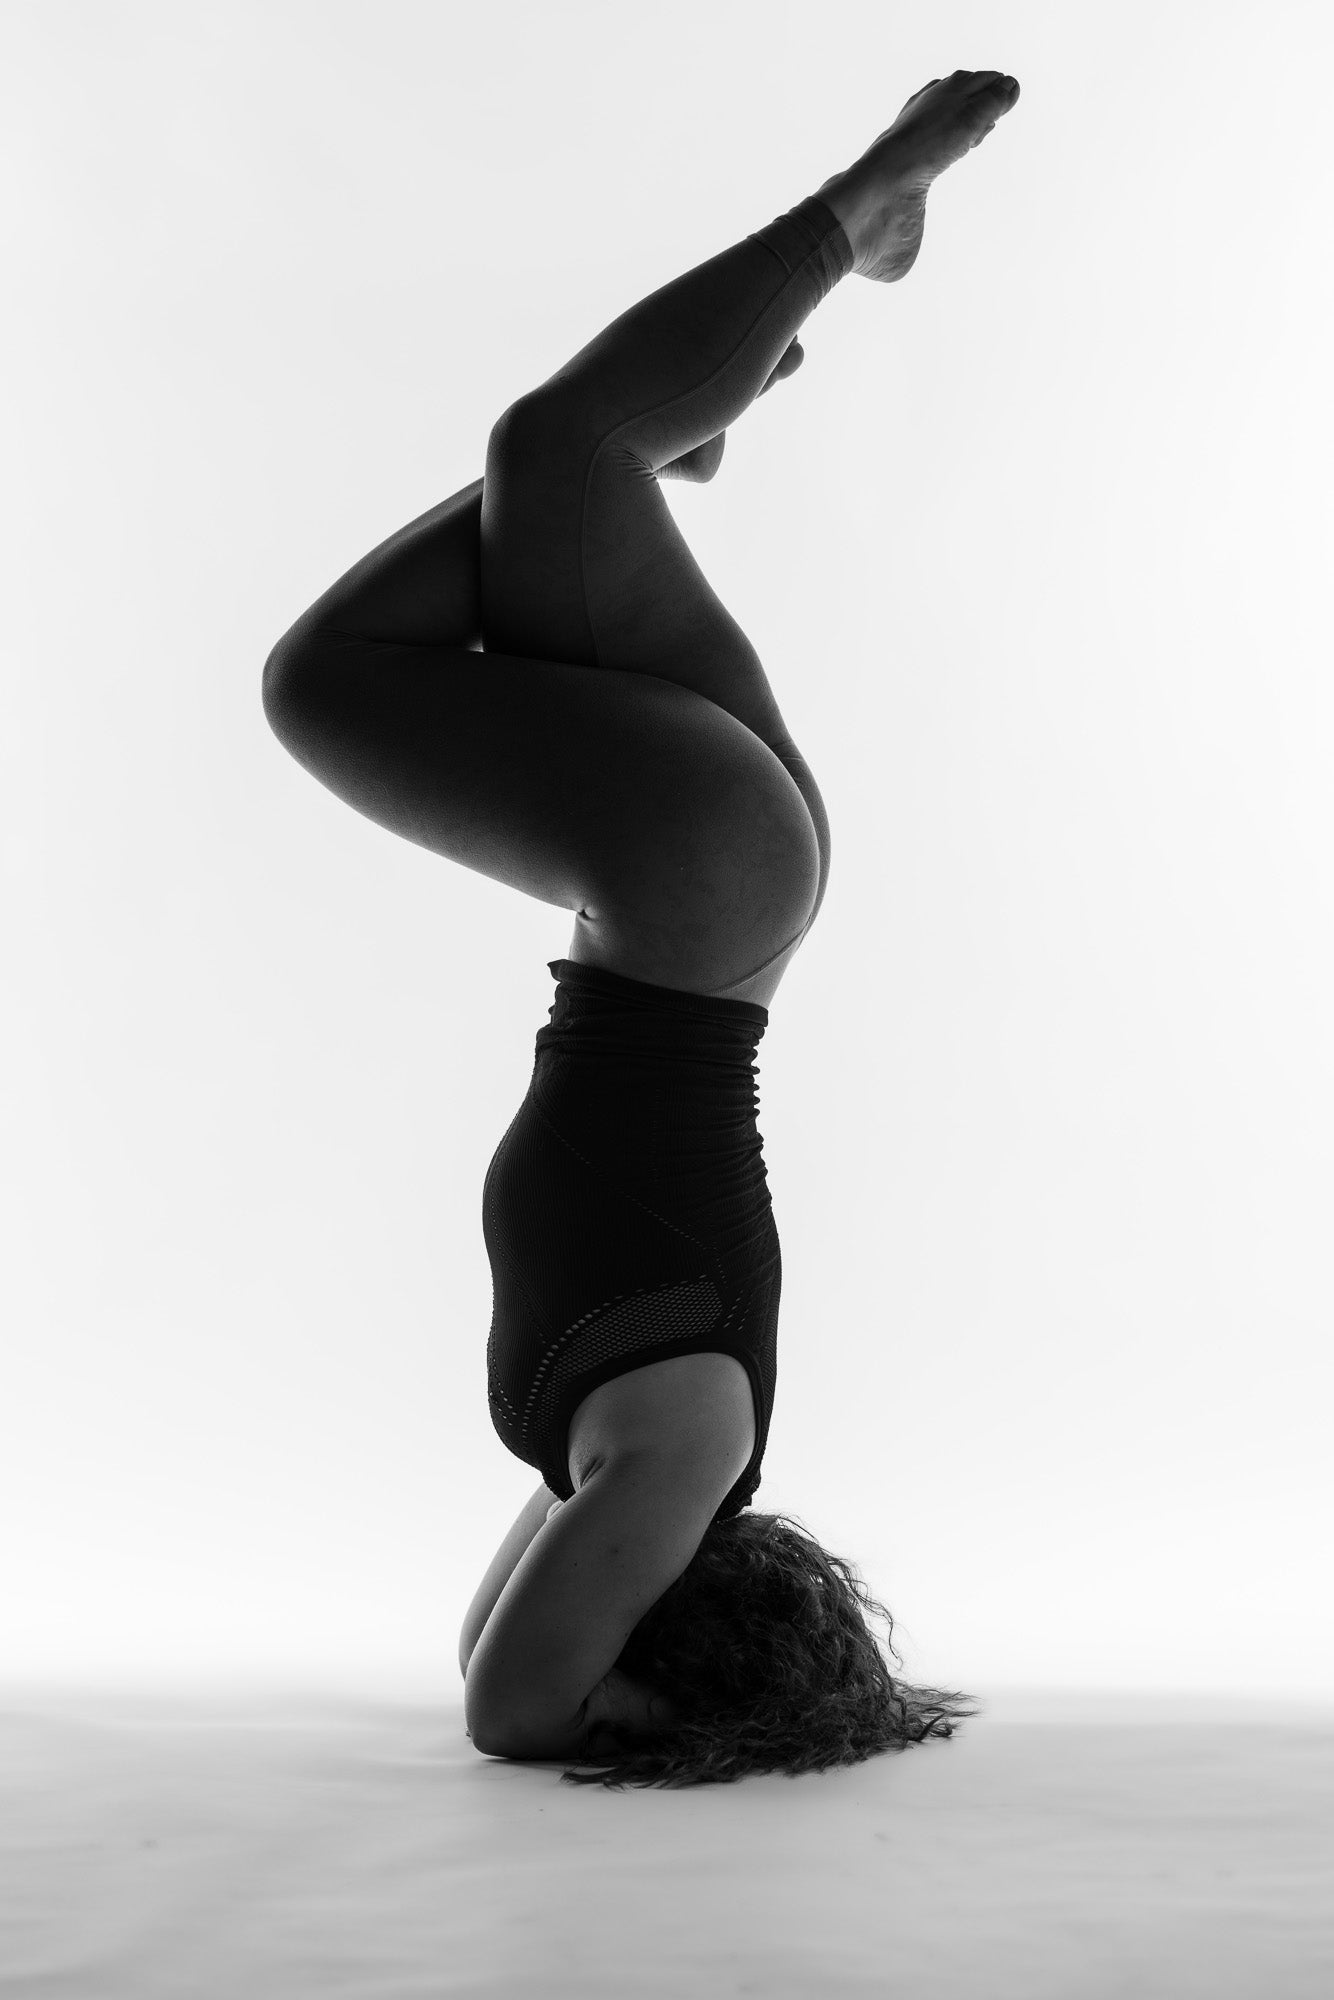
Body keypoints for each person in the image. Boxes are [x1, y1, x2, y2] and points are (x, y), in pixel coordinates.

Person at [262, 71, 1021, 1788]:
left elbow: (494, 1660)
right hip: (694, 896)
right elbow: (516, 1711)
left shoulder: (616, 1462)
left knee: (449, 564)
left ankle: (698, 417)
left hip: (714, 892)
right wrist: (647, 1718)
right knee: (547, 468)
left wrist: (644, 1678)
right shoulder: (675, 1451)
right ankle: (861, 208)